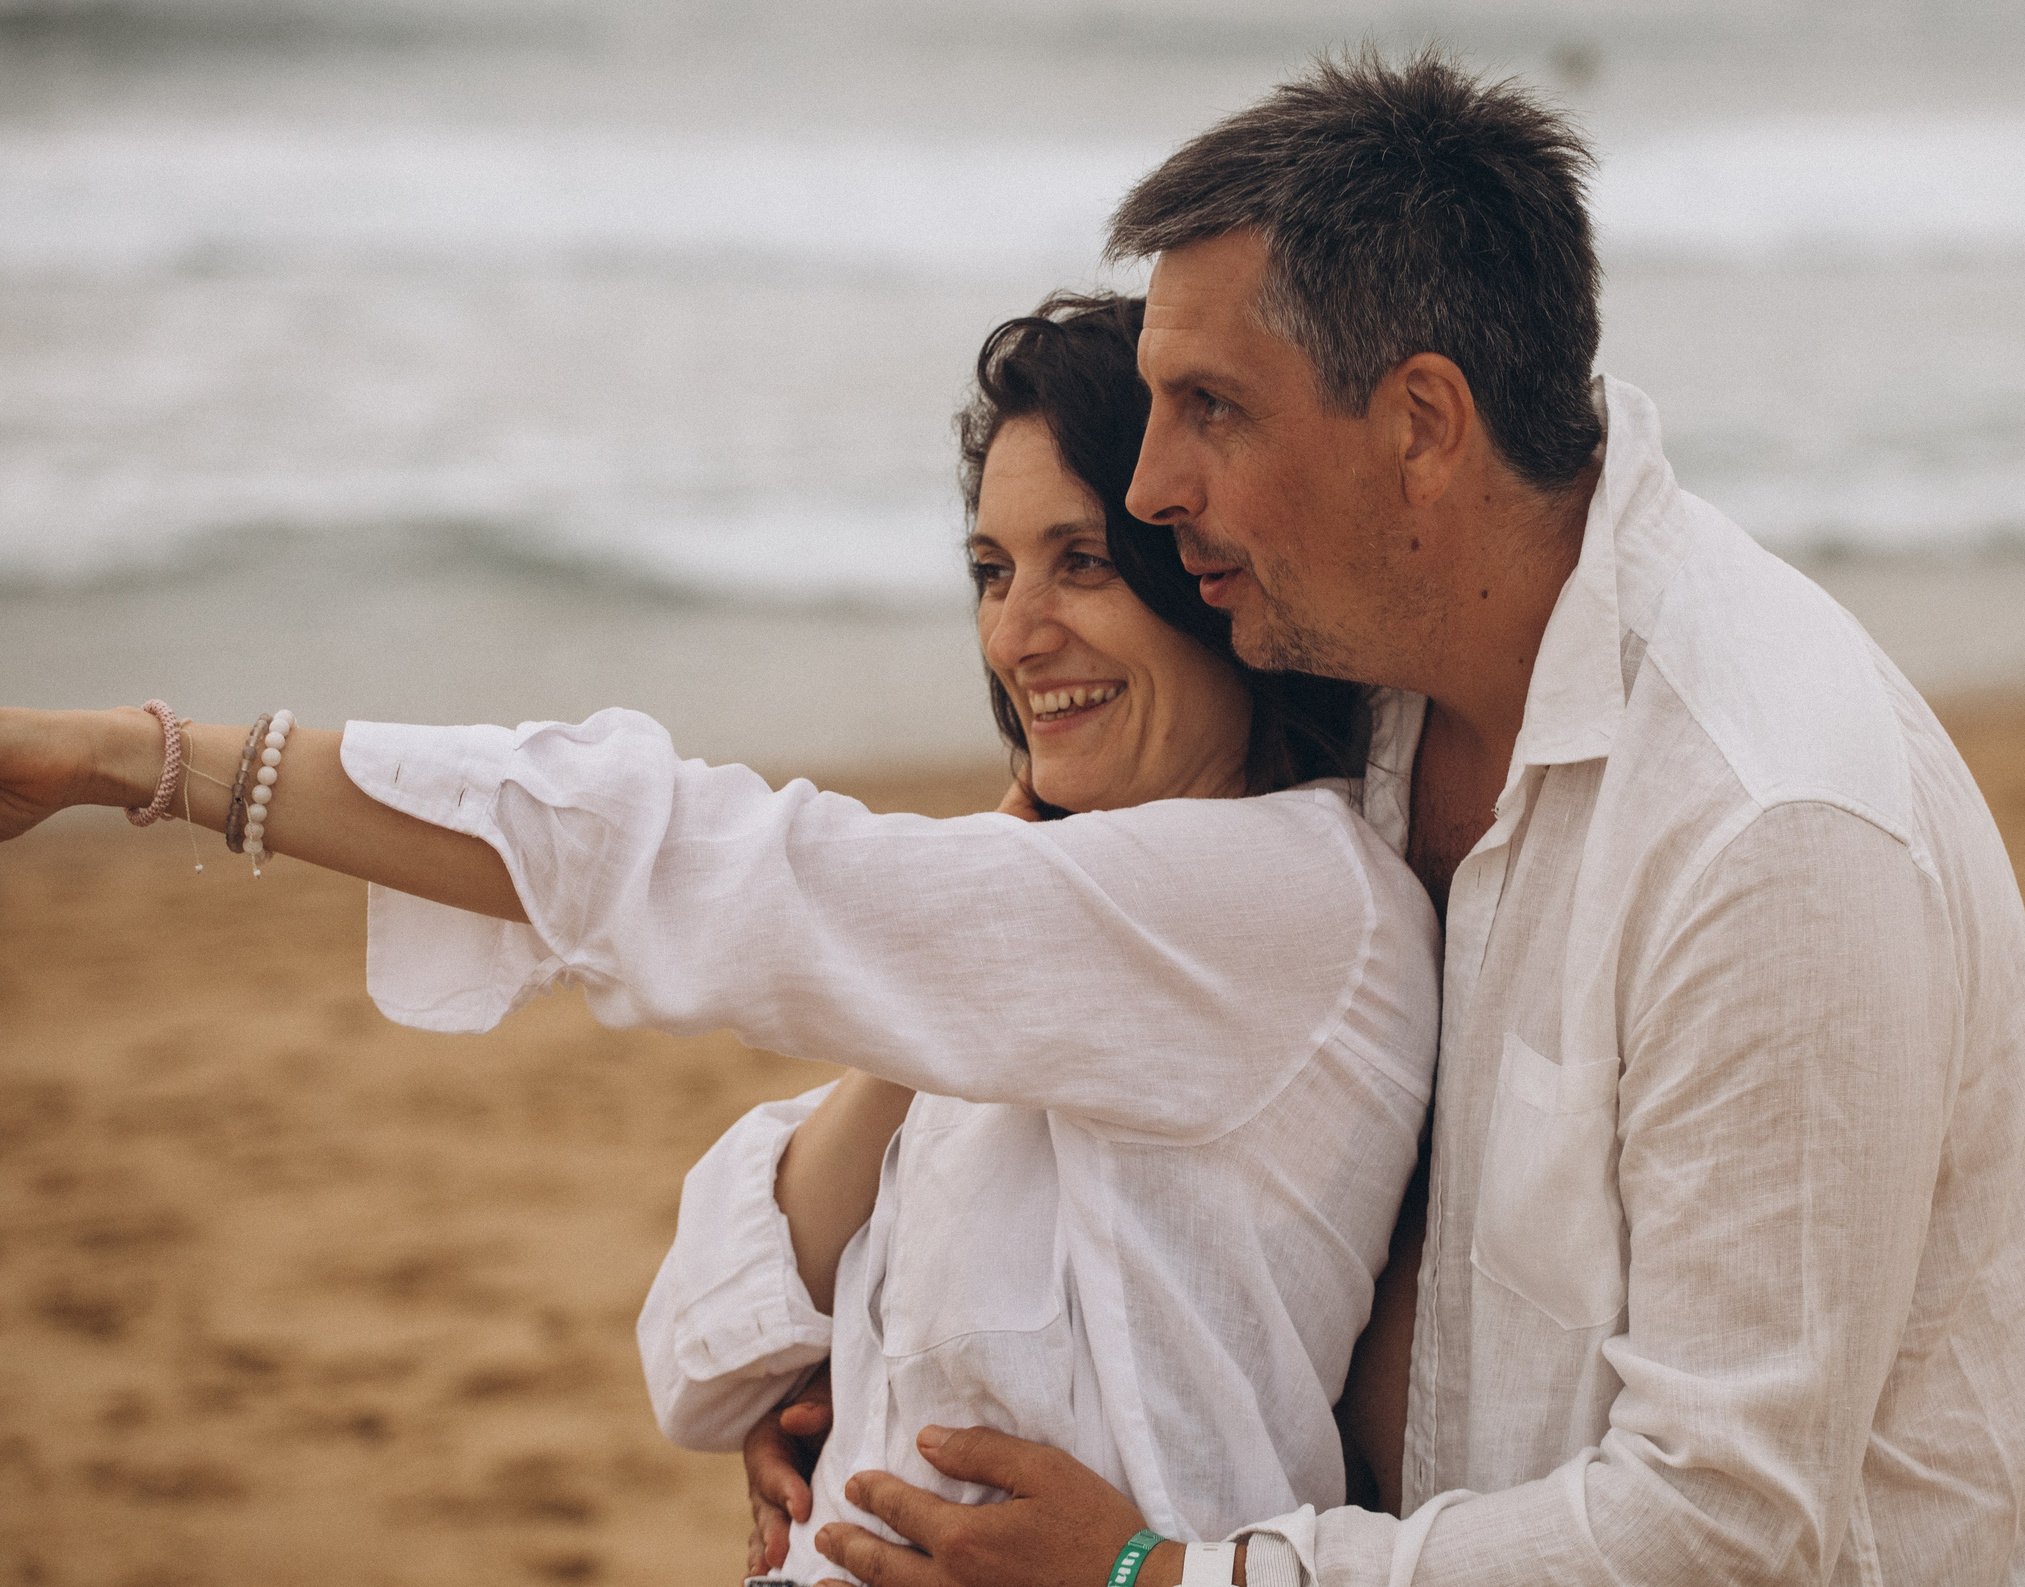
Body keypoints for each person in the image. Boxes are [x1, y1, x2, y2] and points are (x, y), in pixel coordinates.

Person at [784, 51, 2025, 1587]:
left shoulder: (1766, 831)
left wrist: (1162, 1579)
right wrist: (851, 1381)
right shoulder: (1367, 686)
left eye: (1211, 409)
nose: (1151, 485)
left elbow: (1726, 1520)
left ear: (1420, 426)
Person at [0, 296, 1439, 1587]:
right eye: (994, 569)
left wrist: (145, 761)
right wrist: (935, 991)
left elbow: (699, 862)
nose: (1018, 633)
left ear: (1203, 574)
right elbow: (702, 1345)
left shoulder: (1286, 903)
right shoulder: (1035, 939)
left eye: (1083, 564)